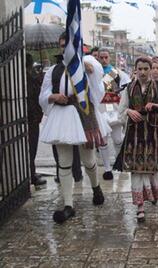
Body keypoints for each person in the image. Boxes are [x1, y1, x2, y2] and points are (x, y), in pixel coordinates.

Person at [39, 32, 107, 224]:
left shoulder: (87, 67)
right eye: (62, 45)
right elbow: (43, 95)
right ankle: (68, 204)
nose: (64, 49)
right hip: (62, 116)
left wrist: (89, 70)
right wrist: (53, 97)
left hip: (84, 114)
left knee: (88, 159)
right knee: (64, 161)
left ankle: (96, 187)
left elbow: (97, 92)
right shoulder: (53, 70)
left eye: (67, 45)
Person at [118, 57, 158, 222]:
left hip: (153, 133)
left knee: (153, 167)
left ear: (151, 70)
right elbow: (120, 111)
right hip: (134, 134)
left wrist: (157, 106)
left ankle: (153, 194)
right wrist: (129, 111)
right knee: (136, 169)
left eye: (146, 69)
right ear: (135, 70)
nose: (143, 72)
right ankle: (140, 206)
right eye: (140, 69)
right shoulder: (128, 88)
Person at [97, 48, 130, 180]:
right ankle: (107, 169)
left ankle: (119, 163)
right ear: (98, 58)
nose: (104, 60)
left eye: (106, 57)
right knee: (103, 141)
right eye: (101, 57)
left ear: (109, 58)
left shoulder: (117, 73)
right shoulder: (94, 73)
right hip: (100, 109)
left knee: (117, 139)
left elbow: (126, 90)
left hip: (115, 108)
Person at [26, 53, 47, 186]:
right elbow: (36, 97)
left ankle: (30, 172)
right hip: (31, 117)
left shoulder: (30, 77)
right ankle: (31, 174)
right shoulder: (29, 78)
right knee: (31, 148)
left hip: (31, 117)